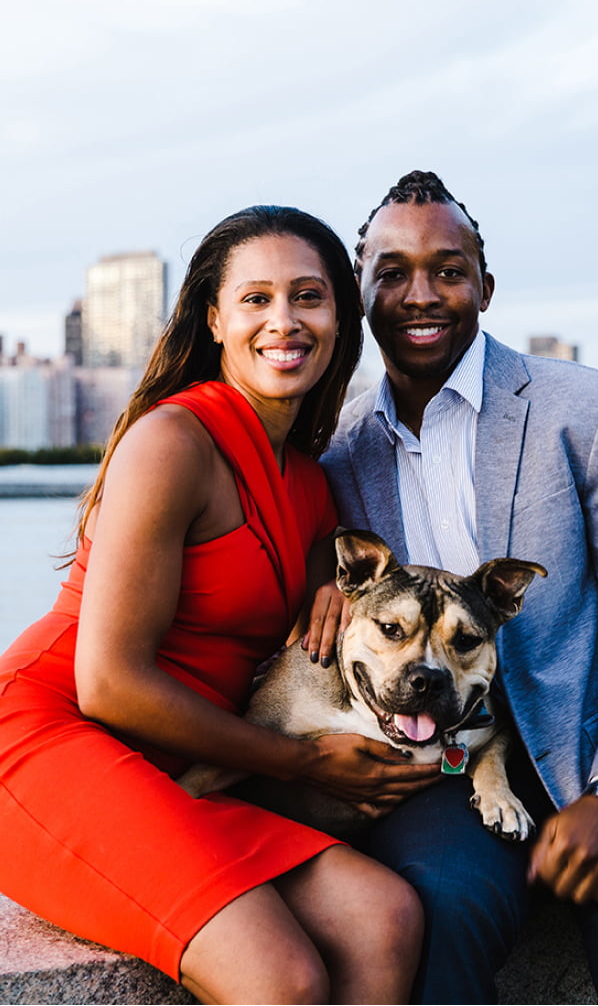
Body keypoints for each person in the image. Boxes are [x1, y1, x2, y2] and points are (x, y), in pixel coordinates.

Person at [0, 205, 441, 1005]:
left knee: (386, 915)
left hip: (179, 770)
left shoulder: (312, 479)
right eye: (256, 299)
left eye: (308, 296)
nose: (285, 321)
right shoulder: (172, 443)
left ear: (340, 317)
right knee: (283, 976)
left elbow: (324, 606)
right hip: (52, 738)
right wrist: (309, 764)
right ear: (214, 318)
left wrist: (330, 594)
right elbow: (108, 684)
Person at [317, 171, 598, 1004]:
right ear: (361, 292)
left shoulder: (593, 409)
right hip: (452, 773)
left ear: (485, 285)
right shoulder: (341, 451)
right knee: (437, 916)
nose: (420, 293)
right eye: (391, 271)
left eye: (448, 268)